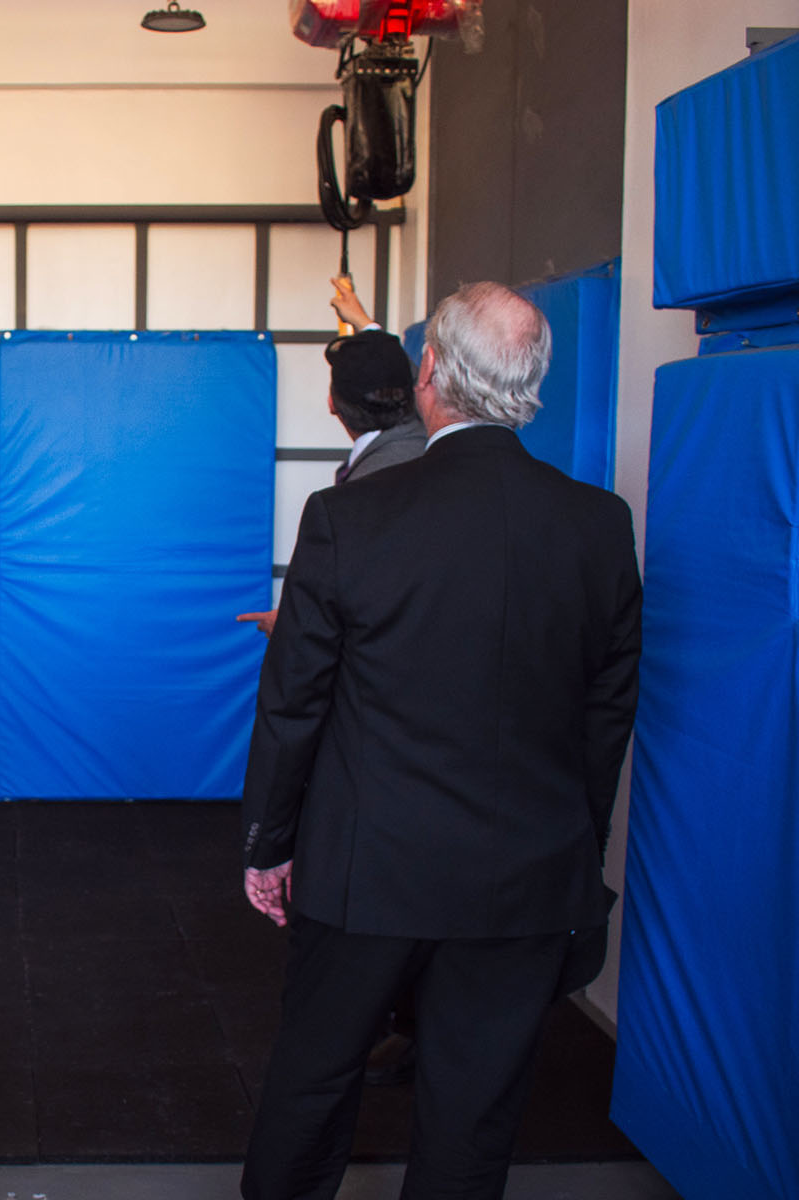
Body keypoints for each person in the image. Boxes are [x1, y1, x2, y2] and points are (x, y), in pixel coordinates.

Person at [237, 282, 642, 1199]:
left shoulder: (350, 520)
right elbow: (604, 720)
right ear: (531, 385)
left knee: (312, 1087)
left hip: (362, 871)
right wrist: (575, 855)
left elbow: (293, 703)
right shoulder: (600, 527)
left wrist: (268, 844)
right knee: (472, 1121)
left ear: (429, 375)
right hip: (528, 879)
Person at [236, 278, 424, 637]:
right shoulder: (422, 434)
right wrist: (365, 324)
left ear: (331, 405)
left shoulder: (361, 497)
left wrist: (292, 625)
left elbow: (360, 602)